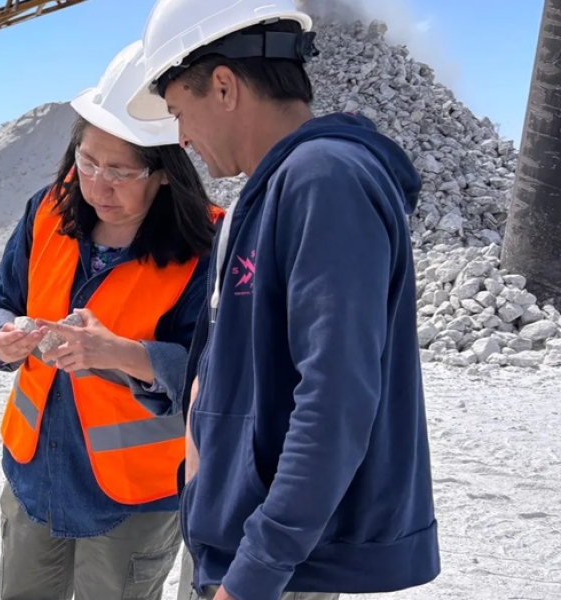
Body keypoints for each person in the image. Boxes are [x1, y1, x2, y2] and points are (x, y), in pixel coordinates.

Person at [121, 1, 441, 599]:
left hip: (283, 567)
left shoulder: (325, 179)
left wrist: (255, 575)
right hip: (248, 547)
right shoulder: (271, 193)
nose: (182, 139)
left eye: (178, 113)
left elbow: (334, 397)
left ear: (222, 86)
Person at [0, 40, 221, 600]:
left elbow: (216, 374)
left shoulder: (204, 245)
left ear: (163, 173)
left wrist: (120, 353)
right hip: (35, 478)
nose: (99, 185)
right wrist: (1, 339)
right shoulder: (47, 211)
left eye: (122, 172)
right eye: (88, 163)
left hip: (132, 501)